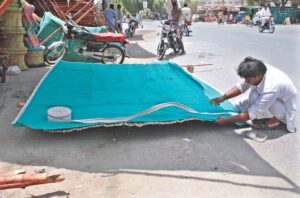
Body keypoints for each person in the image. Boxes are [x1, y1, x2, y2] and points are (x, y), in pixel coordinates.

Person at [210, 57, 297, 133]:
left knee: (254, 107)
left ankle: (276, 120)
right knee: (244, 101)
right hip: (273, 96)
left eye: (248, 79)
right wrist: (222, 98)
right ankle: (263, 113)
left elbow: (253, 112)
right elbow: (241, 86)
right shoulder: (257, 69)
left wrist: (226, 121)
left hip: (284, 105)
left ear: (258, 76)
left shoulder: (271, 88)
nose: (246, 81)